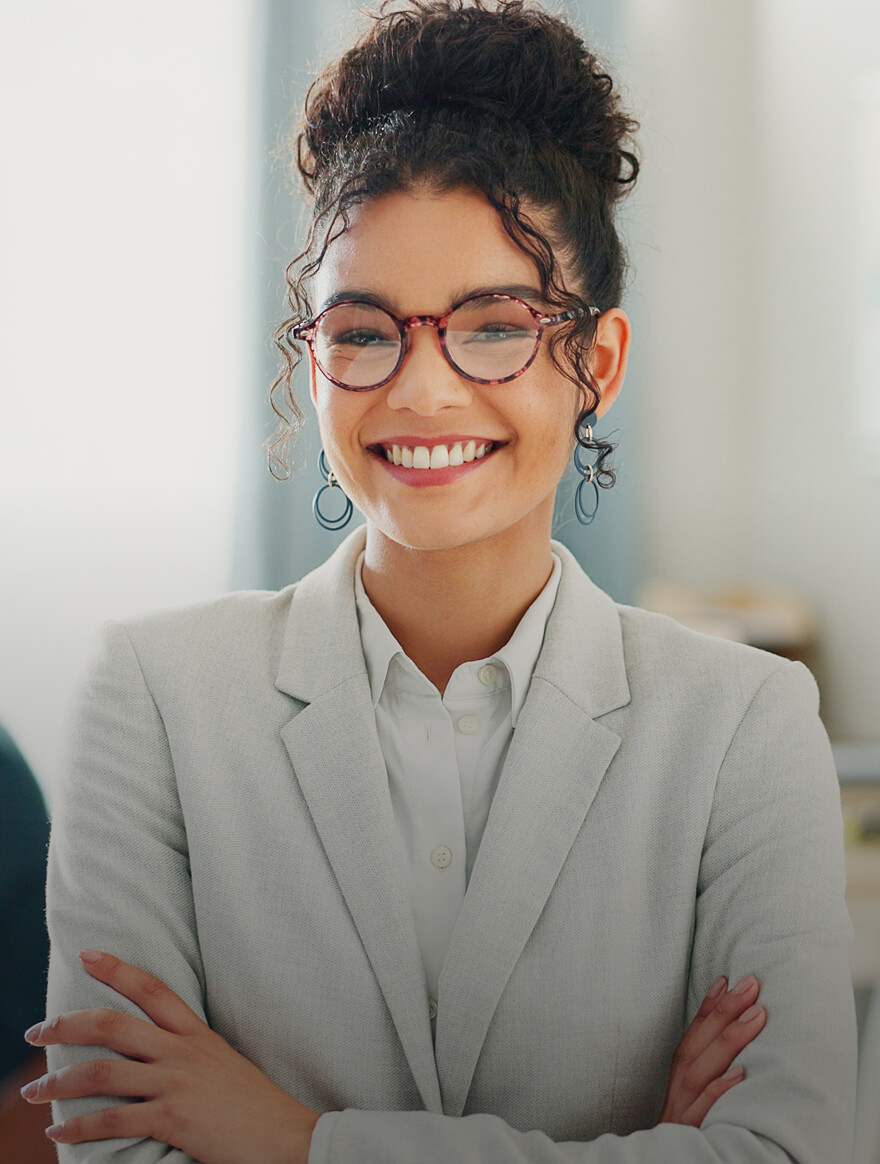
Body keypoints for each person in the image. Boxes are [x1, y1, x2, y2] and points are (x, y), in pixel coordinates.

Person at [23, 1, 856, 1160]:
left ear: (594, 364)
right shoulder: (155, 697)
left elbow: (787, 1153)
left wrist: (291, 1138)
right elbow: (116, 1147)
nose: (421, 392)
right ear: (309, 360)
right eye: (363, 332)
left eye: (494, 326)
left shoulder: (744, 726)